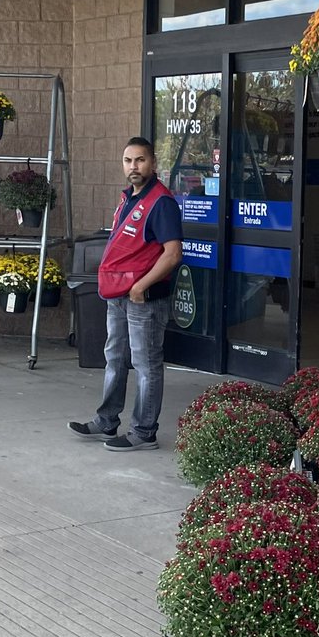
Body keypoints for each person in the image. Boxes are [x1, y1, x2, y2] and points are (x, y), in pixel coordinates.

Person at [69, 137, 182, 451]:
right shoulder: (128, 199)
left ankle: (144, 432)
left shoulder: (161, 202)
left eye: (140, 160)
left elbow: (173, 254)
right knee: (115, 359)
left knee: (146, 365)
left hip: (143, 299)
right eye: (128, 160)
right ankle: (107, 422)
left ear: (153, 163)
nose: (134, 166)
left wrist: (141, 286)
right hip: (118, 295)